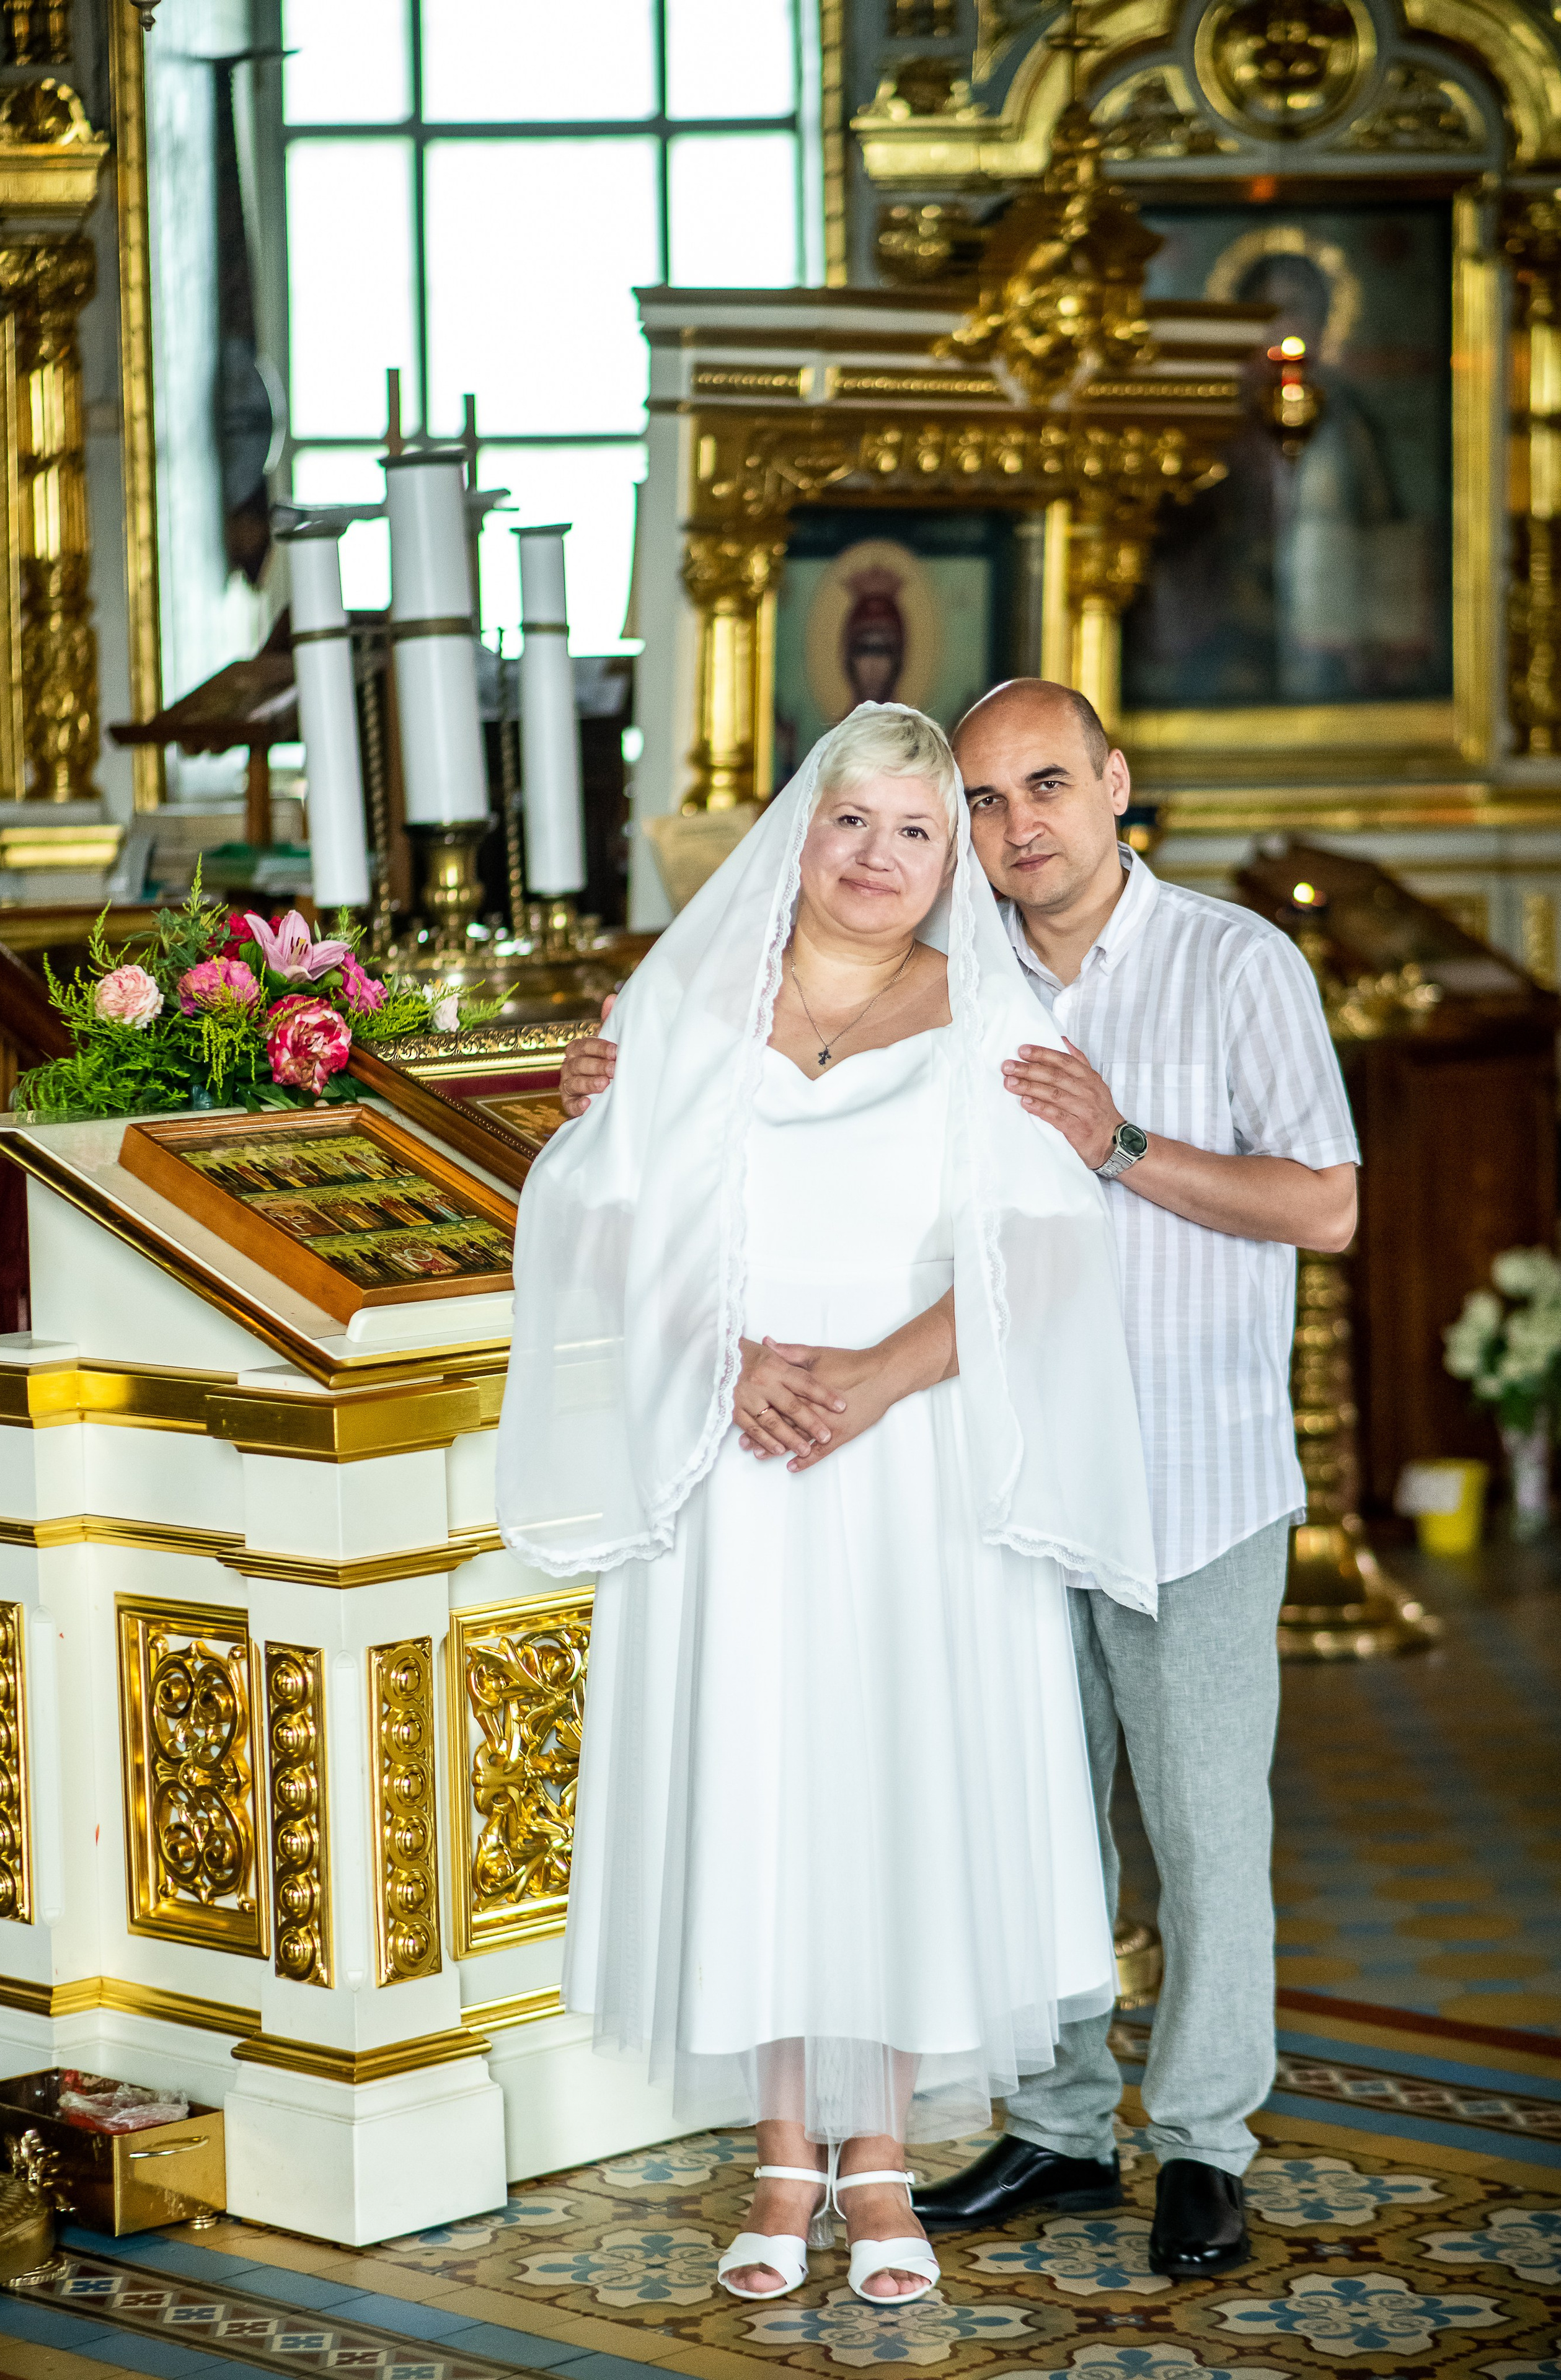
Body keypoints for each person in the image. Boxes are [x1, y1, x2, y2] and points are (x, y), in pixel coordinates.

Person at [557, 677, 1360, 2283]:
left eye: (1043, 787)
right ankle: (1059, 2125)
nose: (1018, 827)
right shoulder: (967, 976)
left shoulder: (1231, 962)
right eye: (978, 806)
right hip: (988, 1466)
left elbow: (1327, 1207)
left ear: (1114, 783)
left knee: (1200, 1829)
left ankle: (1202, 2144)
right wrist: (619, 1102)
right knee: (1028, 1813)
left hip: (1185, 1460)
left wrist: (1122, 1145)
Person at [500, 702, 1156, 2308]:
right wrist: (718, 1367)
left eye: (919, 833)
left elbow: (1044, 1256)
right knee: (769, 1783)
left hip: (909, 1455)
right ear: (800, 833)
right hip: (730, 1461)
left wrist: (872, 1375)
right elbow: (605, 1226)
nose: (880, 858)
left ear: (954, 865)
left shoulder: (995, 1016)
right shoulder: (675, 1009)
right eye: (854, 822)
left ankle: (880, 2163)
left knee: (899, 1787)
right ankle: (782, 2145)